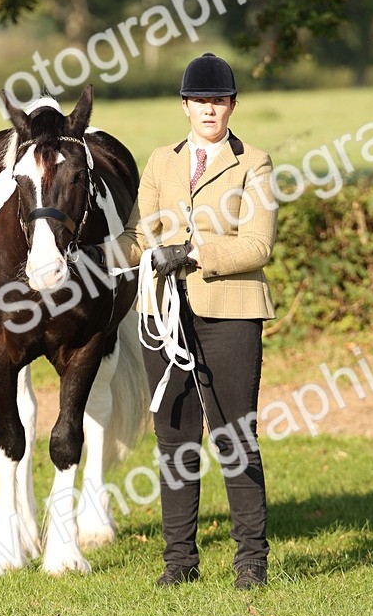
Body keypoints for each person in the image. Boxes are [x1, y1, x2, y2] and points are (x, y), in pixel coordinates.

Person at [107, 52, 278, 588]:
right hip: (163, 315)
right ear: (185, 106)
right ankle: (179, 562)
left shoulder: (255, 162)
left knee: (234, 436)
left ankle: (251, 559)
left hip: (228, 314)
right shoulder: (161, 162)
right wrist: (90, 252)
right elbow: (139, 237)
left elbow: (257, 244)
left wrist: (197, 253)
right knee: (175, 439)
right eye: (201, 100)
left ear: (231, 106)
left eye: (219, 100)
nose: (210, 109)